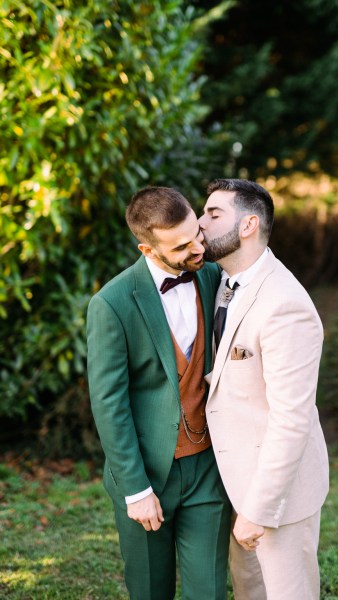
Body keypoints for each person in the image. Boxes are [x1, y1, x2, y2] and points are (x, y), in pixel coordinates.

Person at [86, 186, 231, 600]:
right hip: (147, 473)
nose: (197, 248)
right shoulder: (111, 304)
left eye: (196, 234)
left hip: (208, 467)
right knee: (151, 591)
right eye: (182, 246)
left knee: (209, 592)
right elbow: (109, 404)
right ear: (147, 249)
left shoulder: (212, 276)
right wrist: (136, 489)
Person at [198, 178, 329, 600]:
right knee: (249, 591)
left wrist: (259, 509)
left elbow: (292, 419)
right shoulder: (224, 282)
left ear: (249, 224)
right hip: (235, 479)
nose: (199, 223)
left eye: (213, 214)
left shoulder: (284, 304)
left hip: (278, 495)